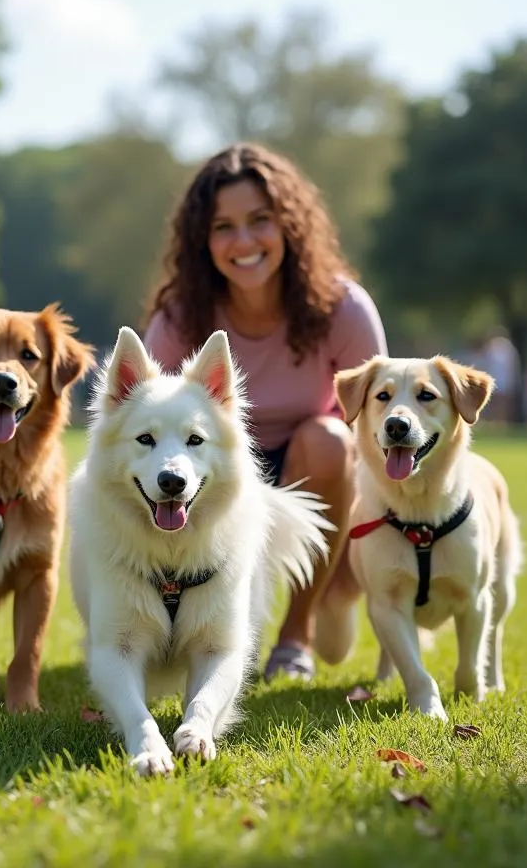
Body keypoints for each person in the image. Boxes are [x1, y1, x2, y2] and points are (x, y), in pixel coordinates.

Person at [142, 142, 388, 683]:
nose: (244, 241)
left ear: (290, 226)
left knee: (327, 438)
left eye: (260, 221)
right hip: (210, 471)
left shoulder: (343, 308)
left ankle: (297, 633)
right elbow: (142, 425)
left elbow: (377, 428)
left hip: (312, 472)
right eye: (223, 227)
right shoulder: (180, 316)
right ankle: (194, 638)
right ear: (202, 241)